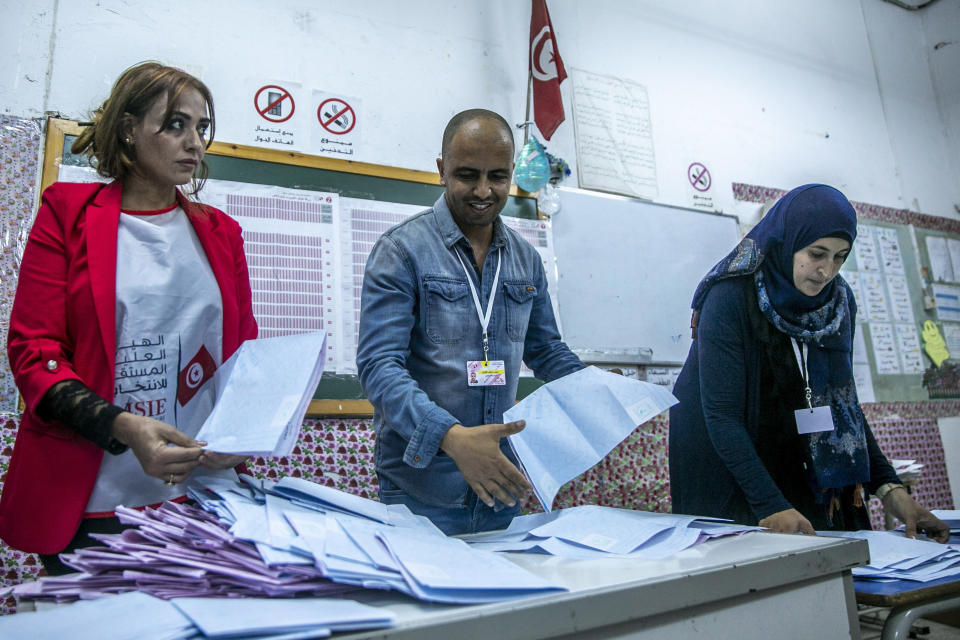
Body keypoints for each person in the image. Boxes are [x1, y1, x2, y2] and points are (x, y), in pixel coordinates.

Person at [0, 62, 258, 573]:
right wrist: (123, 427)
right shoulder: (67, 212)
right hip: (95, 497)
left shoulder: (221, 231)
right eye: (176, 124)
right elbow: (34, 354)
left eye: (201, 127)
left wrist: (243, 433)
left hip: (202, 494)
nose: (194, 143)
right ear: (128, 129)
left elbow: (244, 352)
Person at [669, 184, 948, 541]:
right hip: (727, 462)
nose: (826, 271)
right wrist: (770, 504)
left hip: (795, 449)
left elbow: (843, 406)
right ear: (787, 241)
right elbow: (722, 415)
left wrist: (890, 490)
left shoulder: (836, 303)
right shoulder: (731, 295)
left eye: (840, 257)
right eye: (817, 253)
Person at [357, 109, 584, 535]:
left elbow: (546, 349)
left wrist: (598, 391)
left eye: (497, 177)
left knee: (507, 598)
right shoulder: (401, 251)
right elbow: (379, 368)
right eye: (467, 175)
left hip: (500, 480)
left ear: (511, 173)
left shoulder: (524, 258)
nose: (483, 191)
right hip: (422, 486)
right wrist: (452, 436)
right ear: (441, 171)